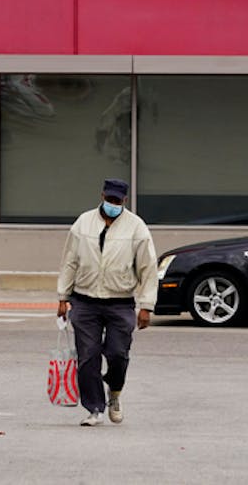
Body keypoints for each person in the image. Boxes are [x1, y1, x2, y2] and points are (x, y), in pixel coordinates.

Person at [57, 178, 158, 427]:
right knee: (88, 357)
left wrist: (146, 305)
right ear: (101, 195)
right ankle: (94, 408)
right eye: (108, 199)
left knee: (117, 354)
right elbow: (69, 260)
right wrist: (62, 296)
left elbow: (148, 268)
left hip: (120, 302)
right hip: (85, 300)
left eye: (117, 201)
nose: (112, 204)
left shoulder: (136, 227)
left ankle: (115, 392)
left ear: (124, 201)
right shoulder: (83, 222)